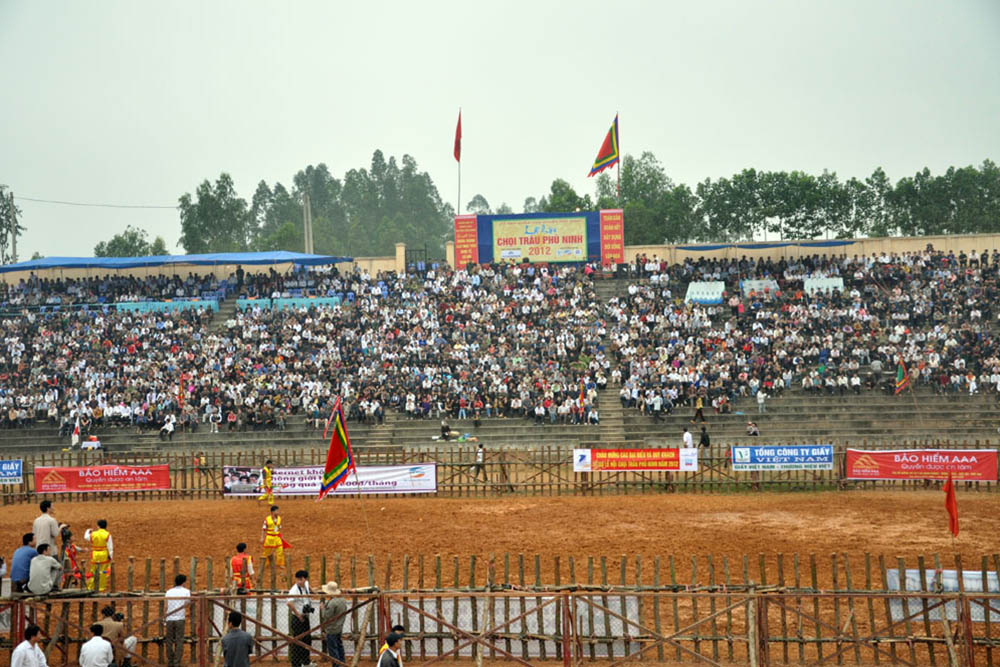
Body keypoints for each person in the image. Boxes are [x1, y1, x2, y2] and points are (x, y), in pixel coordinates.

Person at [286, 569, 315, 667]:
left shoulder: (306, 584)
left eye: (300, 579)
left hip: (305, 617)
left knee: (307, 640)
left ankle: (306, 662)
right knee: (297, 642)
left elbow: (309, 587)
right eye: (297, 579)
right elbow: (289, 602)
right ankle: (296, 664)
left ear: (305, 579)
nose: (298, 581)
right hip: (298, 618)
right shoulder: (294, 590)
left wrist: (312, 592)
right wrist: (298, 615)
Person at [164, 574, 190, 667]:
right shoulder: (186, 591)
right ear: (183, 582)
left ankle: (170, 660)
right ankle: (176, 662)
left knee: (169, 640)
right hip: (180, 618)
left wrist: (164, 618)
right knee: (179, 640)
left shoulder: (168, 592)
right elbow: (187, 603)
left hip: (169, 618)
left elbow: (166, 606)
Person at [320, 581, 348, 665]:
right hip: (339, 627)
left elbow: (325, 615)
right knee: (339, 646)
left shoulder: (332, 603)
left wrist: (322, 608)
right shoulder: (342, 600)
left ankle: (336, 665)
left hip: (332, 628)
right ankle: (342, 663)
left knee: (333, 649)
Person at [85, 519, 113, 593]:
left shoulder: (94, 534)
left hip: (95, 554)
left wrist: (88, 531)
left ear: (98, 526)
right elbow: (110, 547)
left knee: (93, 570)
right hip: (104, 554)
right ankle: (101, 587)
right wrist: (111, 556)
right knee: (103, 570)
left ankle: (90, 586)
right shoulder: (107, 534)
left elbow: (86, 537)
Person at [261, 505, 287, 571]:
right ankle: (265, 563)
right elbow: (264, 529)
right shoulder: (267, 519)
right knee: (267, 551)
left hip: (277, 537)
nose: (278, 512)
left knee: (280, 550)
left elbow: (279, 528)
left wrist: (282, 536)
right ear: (272, 512)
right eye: (277, 510)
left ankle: (280, 563)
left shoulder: (279, 518)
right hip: (269, 537)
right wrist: (262, 537)